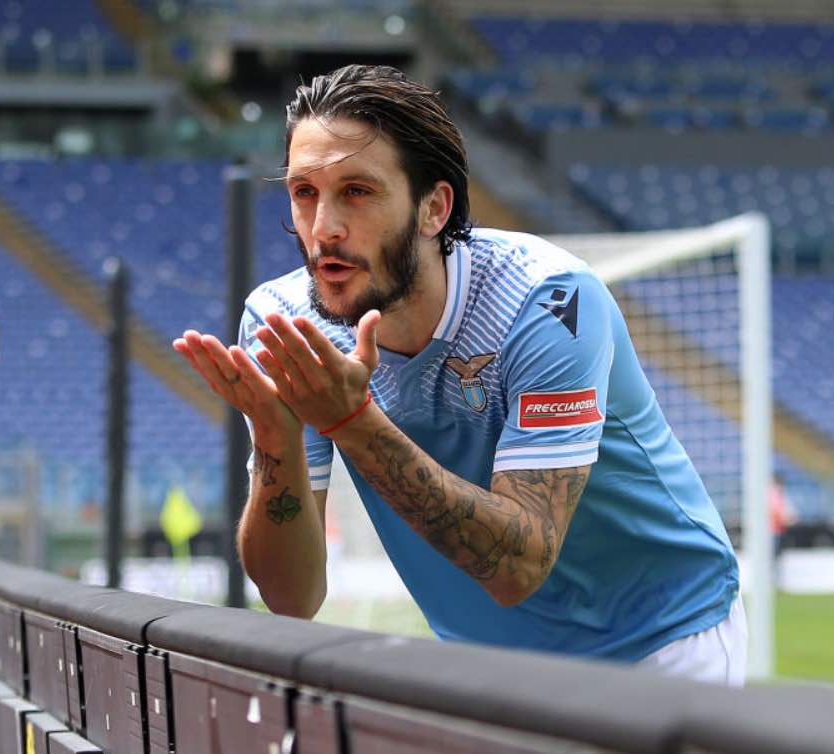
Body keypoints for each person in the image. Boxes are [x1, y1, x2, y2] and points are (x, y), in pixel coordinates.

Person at [173, 64, 745, 685]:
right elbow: (292, 599)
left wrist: (349, 421)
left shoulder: (550, 302)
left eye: (357, 192)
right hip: (485, 665)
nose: (323, 227)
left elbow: (519, 565)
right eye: (305, 192)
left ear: (433, 208)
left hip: (658, 644)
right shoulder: (281, 320)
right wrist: (274, 435)